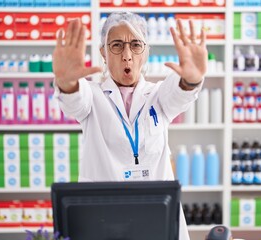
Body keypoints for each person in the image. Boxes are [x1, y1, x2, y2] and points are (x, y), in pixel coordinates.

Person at [52, 12, 208, 240]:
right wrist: (66, 83)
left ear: (145, 52)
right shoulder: (93, 96)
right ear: (103, 53)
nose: (127, 56)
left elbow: (178, 93)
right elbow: (75, 100)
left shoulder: (157, 95)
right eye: (116, 45)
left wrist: (191, 80)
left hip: (157, 217)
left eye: (135, 45)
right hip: (103, 217)